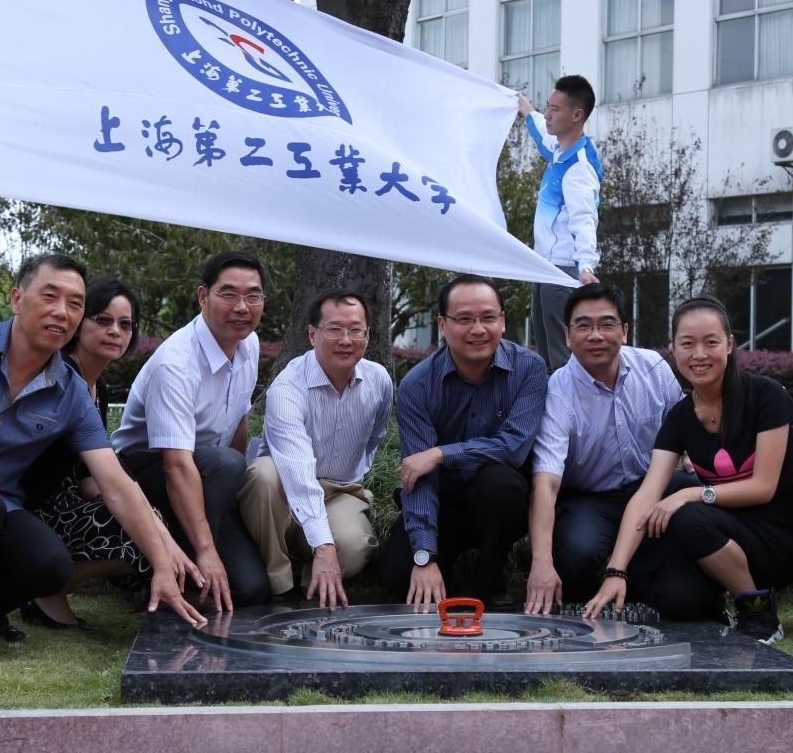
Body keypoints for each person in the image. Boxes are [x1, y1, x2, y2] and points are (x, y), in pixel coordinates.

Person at [0, 253, 204, 653]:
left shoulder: (70, 391)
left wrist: (161, 564)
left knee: (50, 566)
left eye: (75, 304)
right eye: (50, 296)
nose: (62, 312)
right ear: (17, 299)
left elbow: (115, 482)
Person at [584, 297, 793, 644]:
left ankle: (759, 613)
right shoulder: (680, 416)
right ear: (674, 348)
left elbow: (763, 487)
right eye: (687, 343)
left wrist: (689, 493)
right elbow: (647, 494)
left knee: (686, 516)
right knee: (673, 596)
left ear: (730, 345)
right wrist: (617, 569)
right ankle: (713, 602)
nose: (699, 354)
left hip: (776, 539)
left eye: (711, 342)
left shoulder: (765, 396)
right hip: (720, 536)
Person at [112, 251, 270, 610]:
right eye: (228, 294)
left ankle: (187, 578)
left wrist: (233, 498)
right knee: (226, 463)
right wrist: (206, 551)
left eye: (253, 295)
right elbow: (175, 465)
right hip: (144, 474)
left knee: (249, 589)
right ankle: (176, 571)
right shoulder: (176, 363)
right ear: (203, 296)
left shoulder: (250, 345)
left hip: (206, 476)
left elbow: (238, 422)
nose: (242, 307)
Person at [380, 275, 548, 607]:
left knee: (501, 485)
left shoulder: (529, 369)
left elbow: (513, 447)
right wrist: (425, 556)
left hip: (498, 502)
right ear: (443, 325)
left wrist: (441, 453)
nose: (478, 329)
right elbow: (418, 474)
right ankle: (449, 587)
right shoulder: (418, 385)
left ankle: (490, 584)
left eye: (488, 317)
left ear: (502, 320)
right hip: (443, 501)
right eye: (464, 319)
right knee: (398, 575)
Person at [525, 282, 688, 615]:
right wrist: (540, 562)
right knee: (576, 552)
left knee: (701, 505)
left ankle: (651, 580)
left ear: (624, 331)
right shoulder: (558, 391)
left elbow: (685, 430)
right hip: (592, 498)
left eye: (607, 324)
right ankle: (598, 600)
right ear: (568, 335)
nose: (595, 335)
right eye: (583, 325)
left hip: (652, 486)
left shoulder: (654, 369)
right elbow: (547, 481)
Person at [20, 278, 163, 629]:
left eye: (124, 324)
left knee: (147, 514)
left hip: (66, 500)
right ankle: (43, 587)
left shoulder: (101, 387)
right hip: (31, 505)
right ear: (79, 323)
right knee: (140, 522)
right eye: (102, 320)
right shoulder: (61, 376)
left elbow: (85, 472)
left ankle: (50, 584)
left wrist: (126, 496)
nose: (115, 331)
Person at [238, 289, 392, 608]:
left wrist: (329, 548)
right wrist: (323, 544)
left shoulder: (379, 381)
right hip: (282, 489)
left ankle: (314, 584)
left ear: (368, 334)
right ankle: (278, 581)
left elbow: (375, 436)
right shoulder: (288, 388)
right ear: (312, 334)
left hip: (339, 490)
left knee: (354, 546)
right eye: (334, 329)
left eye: (355, 330)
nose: (345, 340)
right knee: (263, 475)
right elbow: (296, 470)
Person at [517, 75, 601, 371]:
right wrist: (527, 110)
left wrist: (586, 266)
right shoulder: (559, 149)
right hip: (545, 267)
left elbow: (585, 219)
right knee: (548, 358)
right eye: (548, 107)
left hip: (562, 269)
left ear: (577, 115)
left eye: (555, 109)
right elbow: (542, 133)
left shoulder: (579, 167)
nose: (548, 114)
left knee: (562, 360)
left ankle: (571, 416)